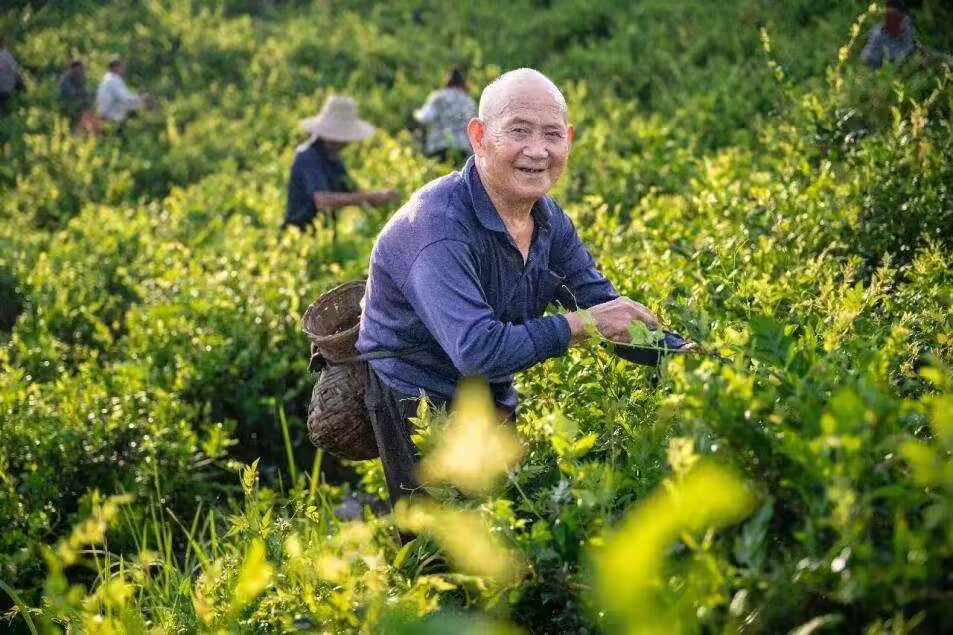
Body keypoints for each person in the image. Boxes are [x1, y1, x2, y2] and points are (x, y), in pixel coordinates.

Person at [356, 68, 659, 506]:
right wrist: (583, 324)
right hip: (418, 400)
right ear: (479, 136)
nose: (537, 151)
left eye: (552, 134)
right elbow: (477, 350)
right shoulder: (438, 227)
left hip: (490, 388)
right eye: (519, 131)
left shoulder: (548, 220)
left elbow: (601, 306)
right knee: (444, 550)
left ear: (569, 139)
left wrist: (684, 357)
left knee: (507, 526)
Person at [283, 95, 397, 233]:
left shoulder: (333, 159)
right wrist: (365, 198)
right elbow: (322, 201)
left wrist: (380, 196)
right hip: (299, 235)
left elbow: (351, 190)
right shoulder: (307, 157)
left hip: (323, 235)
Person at [413, 66, 477, 162]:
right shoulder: (469, 101)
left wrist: (415, 113)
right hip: (463, 150)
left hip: (439, 147)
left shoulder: (438, 97)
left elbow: (425, 117)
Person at [861, 0, 918, 69]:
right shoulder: (879, 32)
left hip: (909, 61)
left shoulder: (906, 24)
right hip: (885, 69)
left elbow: (911, 46)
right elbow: (866, 57)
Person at [95, 58, 152, 124]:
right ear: (116, 68)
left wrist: (137, 96)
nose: (123, 70)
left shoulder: (106, 79)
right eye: (122, 67)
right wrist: (143, 101)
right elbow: (126, 99)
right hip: (111, 119)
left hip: (104, 116)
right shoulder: (114, 81)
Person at [58, 59, 90, 127]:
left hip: (77, 103)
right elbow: (71, 93)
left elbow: (83, 90)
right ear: (74, 68)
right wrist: (84, 93)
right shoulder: (65, 78)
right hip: (66, 104)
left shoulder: (80, 78)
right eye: (80, 69)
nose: (82, 71)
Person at [0, 38, 26, 109]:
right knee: (18, 78)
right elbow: (15, 69)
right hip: (7, 88)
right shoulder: (7, 55)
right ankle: (23, 101)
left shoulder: (5, 55)